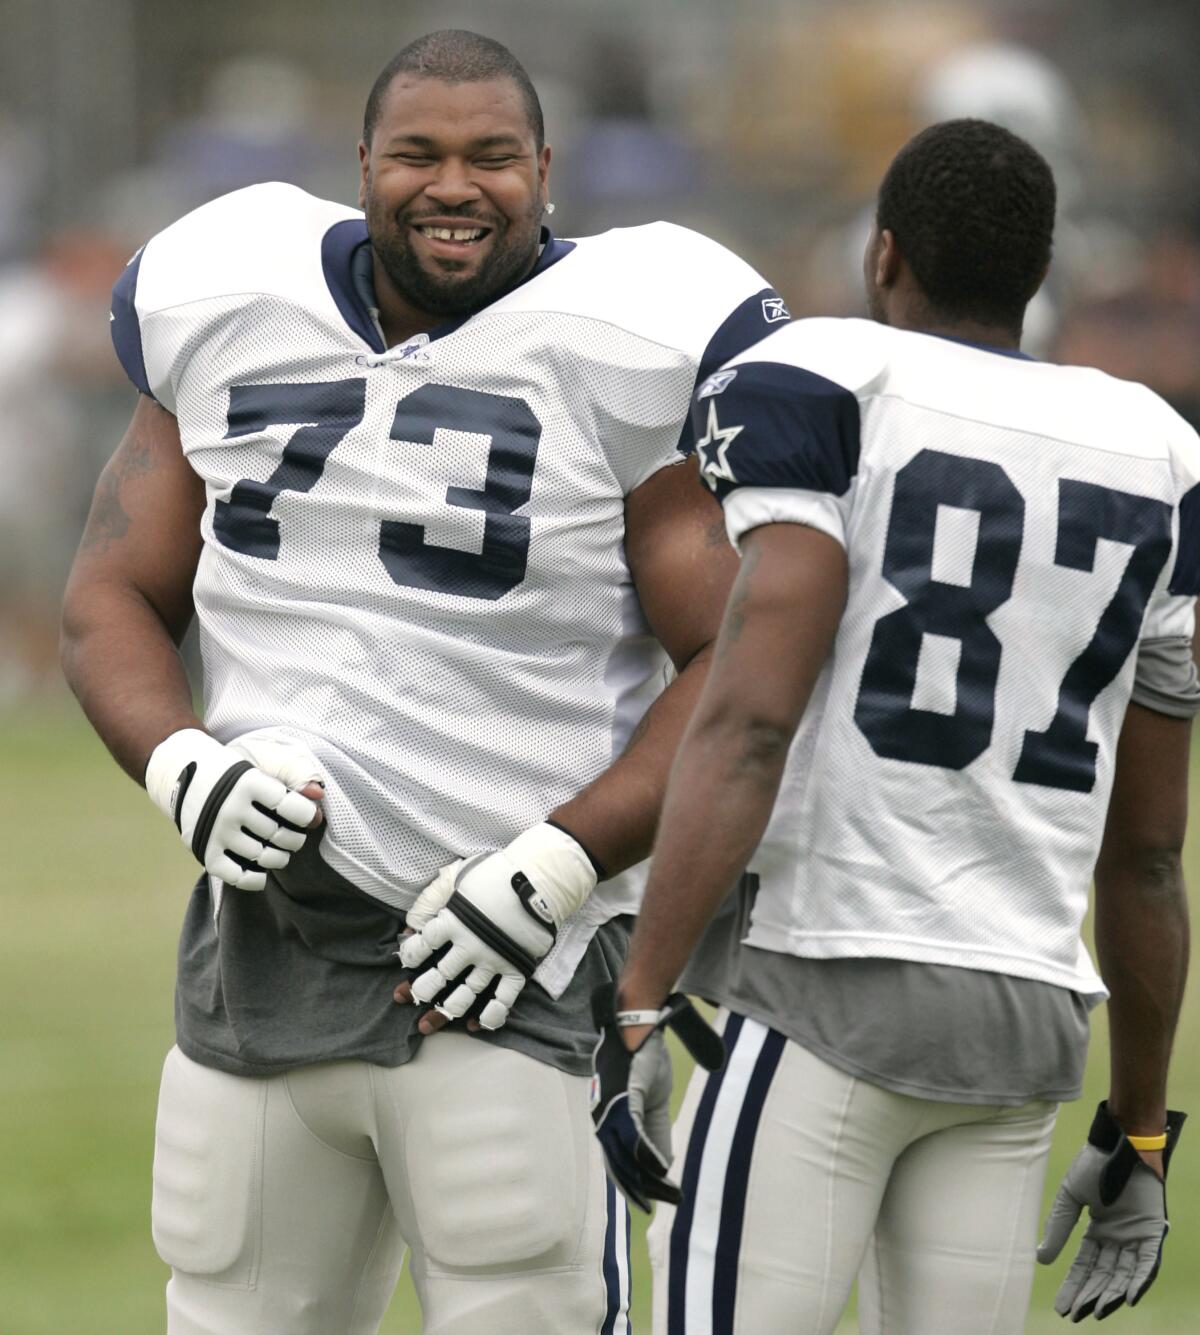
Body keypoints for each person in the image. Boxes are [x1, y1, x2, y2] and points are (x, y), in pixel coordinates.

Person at [60, 29, 790, 1335]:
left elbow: (734, 670)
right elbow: (111, 590)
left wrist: (564, 862)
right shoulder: (228, 294)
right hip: (266, 945)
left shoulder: (625, 338)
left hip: (502, 952)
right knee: (229, 1304)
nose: (455, 184)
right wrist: (181, 759)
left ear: (546, 172)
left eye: (492, 157)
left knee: (524, 1295)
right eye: (419, 154)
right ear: (362, 167)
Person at [590, 118, 1198, 1334]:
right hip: (1025, 1024)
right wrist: (1141, 1130)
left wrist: (642, 999)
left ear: (883, 258)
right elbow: (1146, 858)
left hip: (826, 979)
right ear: (1037, 273)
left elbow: (752, 719)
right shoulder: (1164, 455)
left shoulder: (827, 383)